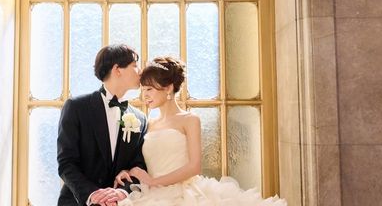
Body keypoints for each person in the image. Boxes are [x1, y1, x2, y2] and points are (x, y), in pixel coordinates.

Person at [114, 56, 287, 206]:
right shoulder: (148, 123)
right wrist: (127, 171)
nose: (144, 95)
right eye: (143, 89)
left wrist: (154, 181)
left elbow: (194, 167)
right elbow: (140, 161)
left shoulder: (190, 120)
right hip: (150, 192)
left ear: (168, 88)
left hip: (185, 193)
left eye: (149, 89)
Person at [57, 44, 148, 206]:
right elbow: (66, 162)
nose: (140, 71)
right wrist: (93, 195)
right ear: (117, 69)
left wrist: (121, 192)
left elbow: (138, 165)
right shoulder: (77, 107)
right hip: (79, 202)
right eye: (135, 65)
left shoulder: (140, 118)